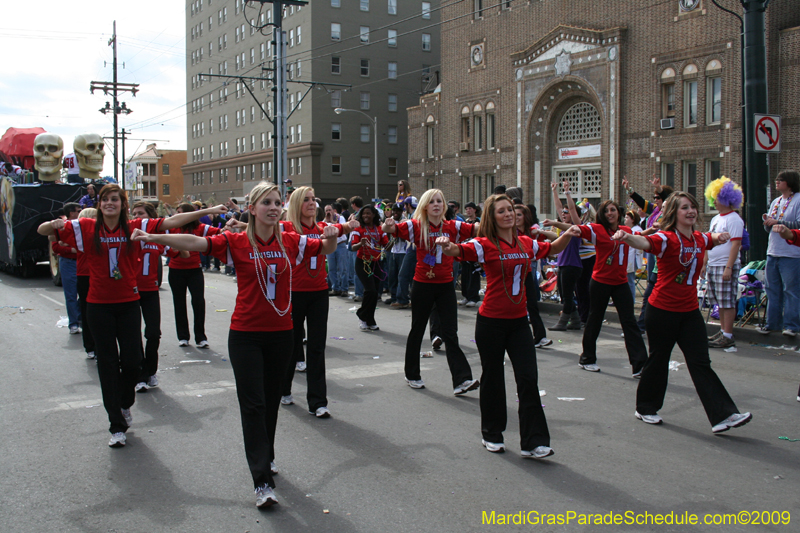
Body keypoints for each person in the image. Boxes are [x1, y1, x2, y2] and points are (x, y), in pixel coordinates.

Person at [131, 182, 336, 507]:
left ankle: (266, 455)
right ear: (252, 209)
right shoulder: (236, 242)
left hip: (282, 333)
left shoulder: (292, 241)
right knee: (253, 405)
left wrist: (334, 233)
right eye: (265, 202)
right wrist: (154, 237)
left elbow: (325, 248)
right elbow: (196, 242)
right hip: (246, 336)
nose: (273, 207)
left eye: (277, 202)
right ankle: (261, 481)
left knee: (270, 403)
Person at [37, 185, 224, 448]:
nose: (110, 203)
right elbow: (43, 231)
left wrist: (209, 210)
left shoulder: (135, 226)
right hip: (98, 306)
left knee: (133, 361)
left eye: (115, 199)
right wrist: (54, 223)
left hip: (128, 304)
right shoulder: (86, 227)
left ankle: (125, 403)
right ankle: (116, 423)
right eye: (105, 199)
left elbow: (172, 221)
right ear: (100, 204)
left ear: (123, 205)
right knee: (107, 364)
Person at [437, 194, 580, 458]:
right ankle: (492, 434)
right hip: (490, 322)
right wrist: (447, 245)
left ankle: (534, 441)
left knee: (528, 378)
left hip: (519, 324)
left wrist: (569, 233)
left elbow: (553, 248)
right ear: (492, 217)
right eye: (501, 211)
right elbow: (458, 250)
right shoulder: (483, 244)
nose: (508, 214)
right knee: (493, 379)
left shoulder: (527, 243)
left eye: (511, 210)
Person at [613, 192, 752, 434]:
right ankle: (645, 408)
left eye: (693, 207)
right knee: (658, 360)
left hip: (689, 313)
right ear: (673, 214)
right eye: (684, 208)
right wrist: (627, 237)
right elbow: (645, 243)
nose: (691, 211)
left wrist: (720, 236)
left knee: (700, 362)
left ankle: (724, 415)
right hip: (662, 310)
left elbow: (711, 238)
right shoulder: (666, 238)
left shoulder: (698, 238)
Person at [382, 188, 479, 394]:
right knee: (417, 329)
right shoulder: (415, 226)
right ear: (425, 206)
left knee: (450, 333)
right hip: (422, 285)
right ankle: (412, 374)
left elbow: (477, 229)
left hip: (445, 285)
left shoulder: (453, 226)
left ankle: (462, 380)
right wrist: (387, 223)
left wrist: (489, 221)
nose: (437, 204)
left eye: (440, 201)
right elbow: (388, 229)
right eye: (433, 201)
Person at [548, 199, 648, 376]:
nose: (610, 213)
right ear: (602, 214)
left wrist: (653, 231)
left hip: (621, 282)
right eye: (606, 211)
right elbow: (577, 228)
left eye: (613, 210)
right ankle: (587, 358)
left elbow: (641, 239)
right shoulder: (597, 230)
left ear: (618, 212)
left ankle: (640, 365)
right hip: (601, 282)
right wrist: (567, 227)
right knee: (595, 319)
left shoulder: (626, 231)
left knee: (629, 322)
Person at [279, 187, 356, 416]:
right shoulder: (287, 227)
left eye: (314, 199)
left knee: (316, 348)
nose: (312, 203)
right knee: (290, 346)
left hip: (319, 293)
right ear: (295, 204)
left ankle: (318, 402)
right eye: (306, 200)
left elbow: (343, 228)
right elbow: (260, 229)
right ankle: (283, 389)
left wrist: (352, 225)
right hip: (293, 293)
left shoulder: (323, 227)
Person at [623, 176, 674, 333]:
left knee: (655, 288)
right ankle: (644, 325)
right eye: (655, 198)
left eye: (658, 197)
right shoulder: (656, 210)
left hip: (662, 250)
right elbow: (642, 203)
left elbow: (668, 198)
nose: (656, 200)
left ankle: (647, 324)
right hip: (652, 250)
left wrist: (660, 189)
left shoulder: (669, 211)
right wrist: (629, 190)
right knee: (652, 288)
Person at [167, 203, 221, 348]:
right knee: (179, 303)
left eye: (180, 213)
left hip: (194, 270)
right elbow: (164, 246)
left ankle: (200, 337)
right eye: (176, 213)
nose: (177, 216)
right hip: (176, 270)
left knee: (198, 302)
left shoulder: (201, 228)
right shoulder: (171, 228)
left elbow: (220, 232)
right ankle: (183, 336)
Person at [131, 201, 169, 392]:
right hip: (131, 292)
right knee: (133, 334)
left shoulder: (158, 237)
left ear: (151, 217)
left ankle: (150, 369)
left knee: (153, 333)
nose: (137, 217)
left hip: (151, 290)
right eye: (134, 214)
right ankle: (140, 375)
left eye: (141, 214)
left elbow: (176, 251)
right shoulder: (127, 236)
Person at [702, 178, 744, 348]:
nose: (714, 202)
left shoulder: (733, 219)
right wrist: (704, 263)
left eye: (717, 198)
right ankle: (723, 331)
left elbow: (736, 244)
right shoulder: (716, 219)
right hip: (714, 264)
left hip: (725, 265)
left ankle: (728, 334)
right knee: (719, 301)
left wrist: (729, 267)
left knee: (726, 300)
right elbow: (709, 241)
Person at [760, 170, 800, 336]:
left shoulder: (798, 200)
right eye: (776, 179)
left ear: (789, 182)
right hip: (773, 252)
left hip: (791, 254)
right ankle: (773, 324)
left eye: (780, 179)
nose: (777, 182)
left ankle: (792, 326)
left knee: (791, 290)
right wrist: (768, 222)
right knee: (772, 289)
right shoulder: (776, 201)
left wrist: (779, 222)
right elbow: (769, 228)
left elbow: (797, 223)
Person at [544, 185, 583, 331]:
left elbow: (572, 210)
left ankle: (562, 323)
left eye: (567, 213)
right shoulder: (563, 227)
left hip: (572, 266)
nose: (564, 214)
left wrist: (567, 193)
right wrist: (554, 190)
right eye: (563, 213)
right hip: (563, 264)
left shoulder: (577, 228)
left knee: (567, 296)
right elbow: (559, 207)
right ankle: (576, 321)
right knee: (564, 295)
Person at [515, 204, 551, 348]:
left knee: (532, 304)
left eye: (519, 215)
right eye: (514, 214)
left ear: (525, 217)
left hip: (528, 271)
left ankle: (540, 336)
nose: (516, 217)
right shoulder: (510, 232)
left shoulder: (531, 232)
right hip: (514, 273)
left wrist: (540, 231)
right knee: (516, 305)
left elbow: (555, 237)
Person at [352, 204, 389, 331]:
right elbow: (352, 247)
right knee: (370, 290)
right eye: (363, 213)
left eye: (368, 213)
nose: (365, 216)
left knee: (375, 294)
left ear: (374, 215)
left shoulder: (379, 229)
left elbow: (386, 246)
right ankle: (362, 316)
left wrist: (393, 240)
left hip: (376, 263)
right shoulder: (359, 229)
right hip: (363, 262)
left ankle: (370, 319)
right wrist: (360, 244)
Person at [51, 202, 82, 335]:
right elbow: (56, 247)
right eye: (78, 210)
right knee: (71, 294)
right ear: (71, 213)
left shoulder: (83, 225)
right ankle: (73, 323)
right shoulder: (60, 225)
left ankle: (80, 318)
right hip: (68, 263)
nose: (81, 212)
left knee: (86, 292)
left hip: (83, 263)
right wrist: (72, 250)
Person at [75, 207, 97, 359]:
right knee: (87, 310)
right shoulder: (81, 234)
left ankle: (93, 345)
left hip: (97, 275)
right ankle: (90, 345)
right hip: (85, 274)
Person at [459, 202, 482, 307]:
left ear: (474, 210)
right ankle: (466, 296)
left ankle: (474, 297)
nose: (468, 211)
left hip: (475, 251)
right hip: (465, 251)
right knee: (465, 274)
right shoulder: (465, 222)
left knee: (474, 274)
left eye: (470, 208)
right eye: (466, 209)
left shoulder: (479, 221)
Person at [324, 203, 349, 296]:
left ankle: (344, 289)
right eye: (326, 210)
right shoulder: (324, 221)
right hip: (330, 246)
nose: (328, 212)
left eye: (329, 210)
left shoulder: (340, 218)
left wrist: (332, 222)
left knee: (343, 268)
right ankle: (335, 288)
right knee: (331, 268)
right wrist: (328, 221)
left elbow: (341, 229)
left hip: (340, 245)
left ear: (333, 210)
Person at [625, 210, 644, 305]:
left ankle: (630, 301)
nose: (625, 219)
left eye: (627, 217)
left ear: (632, 220)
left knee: (630, 281)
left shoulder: (637, 230)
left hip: (632, 259)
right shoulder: (627, 229)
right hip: (627, 258)